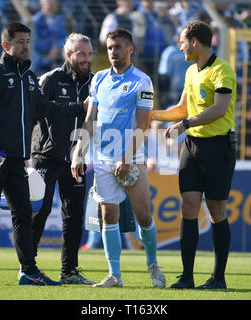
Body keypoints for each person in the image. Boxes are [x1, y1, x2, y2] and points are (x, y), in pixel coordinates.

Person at [0, 22, 86, 286]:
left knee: (23, 214)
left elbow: (49, 109)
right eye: (20, 41)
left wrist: (81, 107)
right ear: (5, 45)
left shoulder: (31, 78)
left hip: (17, 159)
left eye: (28, 41)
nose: (26, 46)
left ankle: (28, 270)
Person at [71, 28, 166, 288]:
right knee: (108, 214)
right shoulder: (99, 79)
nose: (113, 51)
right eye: (110, 47)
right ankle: (115, 275)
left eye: (119, 47)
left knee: (143, 215)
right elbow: (90, 120)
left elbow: (143, 123)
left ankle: (153, 263)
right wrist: (78, 152)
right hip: (102, 158)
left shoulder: (142, 81)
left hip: (131, 158)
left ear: (130, 49)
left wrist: (125, 159)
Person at [152, 21, 236, 289]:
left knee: (215, 211)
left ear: (195, 42)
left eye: (182, 41)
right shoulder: (190, 71)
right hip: (193, 146)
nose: (180, 46)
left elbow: (219, 110)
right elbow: (182, 108)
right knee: (188, 206)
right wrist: (151, 114)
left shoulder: (223, 70)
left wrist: (185, 124)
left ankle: (218, 278)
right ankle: (187, 277)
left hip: (218, 146)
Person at [31, 33, 95, 285]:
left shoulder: (95, 83)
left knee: (74, 215)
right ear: (68, 55)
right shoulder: (49, 80)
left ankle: (69, 272)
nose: (86, 59)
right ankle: (29, 267)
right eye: (81, 54)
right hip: (46, 157)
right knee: (41, 210)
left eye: (89, 54)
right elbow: (33, 112)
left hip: (75, 160)